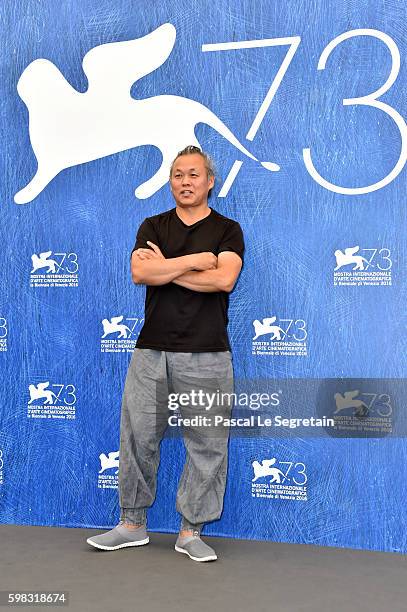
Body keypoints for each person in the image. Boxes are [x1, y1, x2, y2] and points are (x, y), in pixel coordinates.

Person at [87, 145, 244, 562]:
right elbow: (141, 272)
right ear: (170, 181)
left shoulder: (228, 230)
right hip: (150, 349)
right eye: (177, 174)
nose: (185, 181)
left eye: (193, 174)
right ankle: (132, 525)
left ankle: (191, 531)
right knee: (138, 435)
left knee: (207, 443)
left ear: (210, 182)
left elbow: (224, 280)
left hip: (208, 352)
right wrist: (193, 262)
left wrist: (168, 269)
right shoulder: (153, 225)